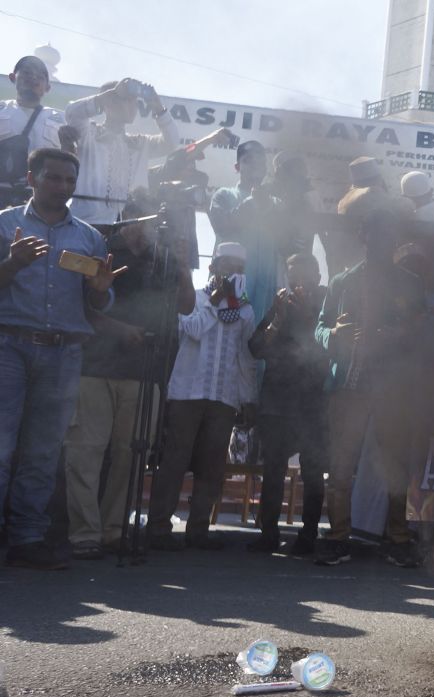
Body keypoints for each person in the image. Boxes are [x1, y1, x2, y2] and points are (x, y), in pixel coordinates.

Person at [0, 148, 124, 569]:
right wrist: (12, 265)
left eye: (70, 180)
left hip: (63, 352)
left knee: (43, 452)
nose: (64, 187)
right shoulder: (4, 223)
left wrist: (100, 289)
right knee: (0, 447)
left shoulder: (90, 237)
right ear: (32, 178)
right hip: (9, 347)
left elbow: (99, 304)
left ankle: (27, 539)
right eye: (54, 178)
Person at [63, 190, 195, 560]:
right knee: (86, 451)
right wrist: (119, 330)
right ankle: (83, 533)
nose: (151, 228)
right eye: (146, 220)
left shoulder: (164, 258)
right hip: (96, 366)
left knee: (130, 455)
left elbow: (186, 305)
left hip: (146, 369)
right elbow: (80, 307)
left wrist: (184, 267)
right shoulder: (99, 248)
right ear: (130, 218)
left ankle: (114, 531)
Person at [316, 207, 426, 567]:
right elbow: (319, 328)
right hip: (349, 384)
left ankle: (397, 539)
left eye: (388, 236)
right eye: (375, 235)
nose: (383, 242)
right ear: (364, 237)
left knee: (395, 465)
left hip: (392, 387)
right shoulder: (342, 281)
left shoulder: (410, 283)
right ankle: (337, 538)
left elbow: (422, 331)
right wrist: (333, 334)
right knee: (341, 466)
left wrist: (397, 335)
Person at [145, 242, 257, 551]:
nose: (232, 271)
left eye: (238, 267)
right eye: (226, 265)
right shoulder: (192, 298)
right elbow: (193, 329)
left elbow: (245, 357)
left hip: (223, 397)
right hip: (187, 394)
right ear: (212, 267)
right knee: (175, 462)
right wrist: (216, 301)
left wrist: (248, 398)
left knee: (212, 467)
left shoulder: (245, 308)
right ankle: (157, 529)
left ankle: (198, 531)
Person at [246, 253, 329, 555]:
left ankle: (308, 536)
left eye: (302, 276)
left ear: (317, 277)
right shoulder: (280, 305)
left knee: (312, 472)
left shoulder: (325, 302)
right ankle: (268, 533)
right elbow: (255, 348)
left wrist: (309, 312)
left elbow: (327, 346)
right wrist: (278, 317)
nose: (297, 283)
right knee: (273, 470)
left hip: (312, 403)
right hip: (277, 403)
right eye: (292, 276)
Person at [65, 78, 180, 226]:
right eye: (126, 100)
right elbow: (72, 113)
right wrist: (110, 94)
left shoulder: (140, 143)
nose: (132, 107)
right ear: (108, 103)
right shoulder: (89, 134)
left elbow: (172, 143)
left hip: (129, 232)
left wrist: (158, 108)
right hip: (85, 225)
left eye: (134, 102)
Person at [209, 140, 299, 324]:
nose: (255, 166)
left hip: (267, 291)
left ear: (266, 169)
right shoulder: (223, 196)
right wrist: (252, 202)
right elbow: (222, 226)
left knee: (258, 346)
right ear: (237, 166)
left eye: (260, 162)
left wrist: (269, 208)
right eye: (248, 160)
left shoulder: (276, 204)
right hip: (228, 291)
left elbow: (288, 243)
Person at [0, 56, 64, 206]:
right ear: (12, 77)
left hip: (42, 201)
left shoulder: (61, 119)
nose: (33, 78)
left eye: (40, 76)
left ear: (48, 87)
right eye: (27, 73)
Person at [330, 156, 410, 276]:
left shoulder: (346, 198)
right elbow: (405, 207)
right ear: (378, 178)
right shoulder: (371, 192)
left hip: (352, 262)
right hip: (371, 263)